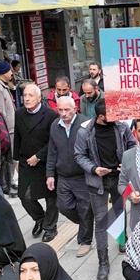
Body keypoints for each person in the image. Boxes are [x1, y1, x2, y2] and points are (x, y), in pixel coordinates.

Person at [74, 99, 136, 280]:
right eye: (111, 115)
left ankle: (122, 239)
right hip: (97, 182)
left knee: (119, 211)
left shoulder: (121, 127)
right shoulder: (85, 131)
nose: (115, 117)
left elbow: (132, 145)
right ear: (101, 116)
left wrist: (125, 162)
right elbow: (79, 155)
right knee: (101, 222)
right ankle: (103, 262)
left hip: (118, 179)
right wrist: (94, 169)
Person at [46, 96, 93, 258]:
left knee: (85, 208)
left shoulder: (86, 124)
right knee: (63, 206)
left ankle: (85, 240)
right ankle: (86, 223)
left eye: (67, 110)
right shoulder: (55, 125)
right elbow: (52, 151)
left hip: (82, 175)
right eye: (60, 110)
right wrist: (50, 174)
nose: (64, 113)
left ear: (75, 108)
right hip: (63, 176)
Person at [14, 84, 59, 242]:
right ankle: (40, 219)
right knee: (24, 196)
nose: (26, 99)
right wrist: (16, 159)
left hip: (45, 161)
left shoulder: (51, 115)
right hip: (26, 160)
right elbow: (17, 137)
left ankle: (50, 227)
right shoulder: (19, 113)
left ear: (39, 98)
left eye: (31, 96)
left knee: (50, 196)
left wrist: (39, 156)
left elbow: (54, 141)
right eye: (25, 95)